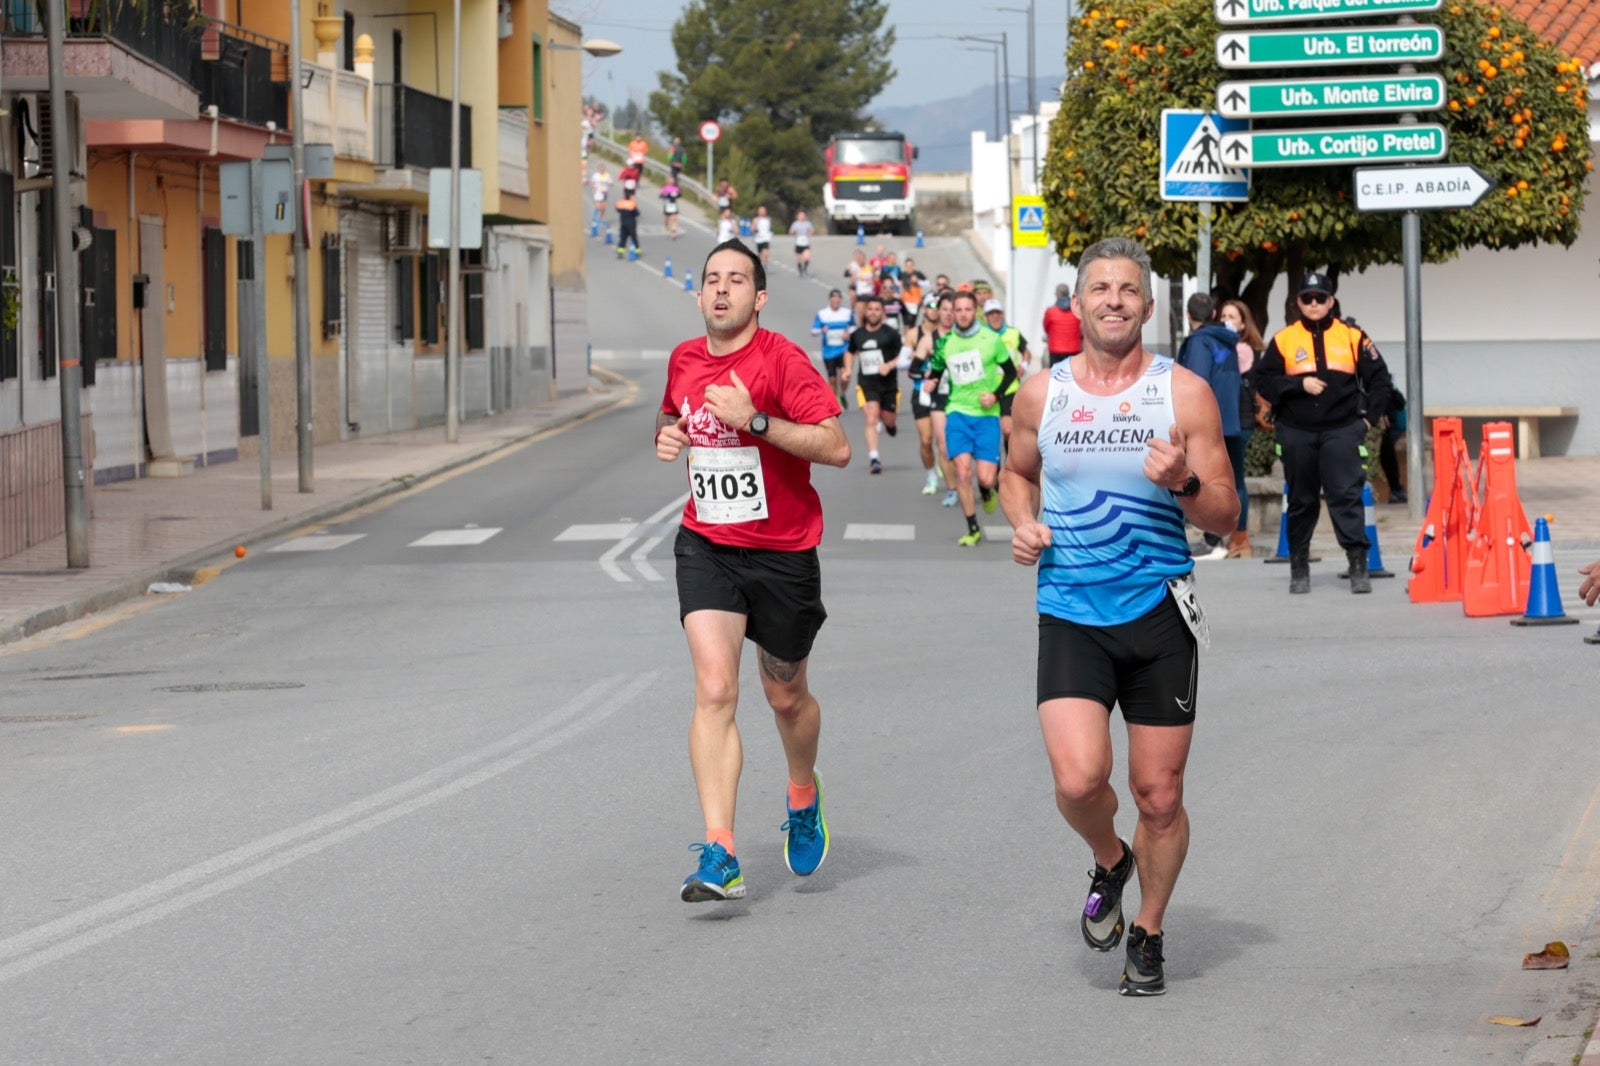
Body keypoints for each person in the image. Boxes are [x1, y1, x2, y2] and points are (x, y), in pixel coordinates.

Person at [998, 236, 1238, 998]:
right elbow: (1014, 471)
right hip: (1070, 609)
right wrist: (1024, 522)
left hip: (1160, 611)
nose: (1113, 300)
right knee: (1078, 780)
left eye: (1127, 290)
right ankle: (1109, 857)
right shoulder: (1042, 394)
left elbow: (1224, 515)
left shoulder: (1184, 394)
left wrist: (1186, 479)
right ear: (1078, 303)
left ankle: (1151, 928)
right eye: (1099, 288)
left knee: (1159, 795)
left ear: (1148, 304)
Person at [654, 239, 851, 903]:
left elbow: (836, 445)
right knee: (715, 690)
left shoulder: (782, 361)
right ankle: (721, 852)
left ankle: (802, 793)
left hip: (783, 553)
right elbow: (671, 415)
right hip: (706, 545)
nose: (720, 290)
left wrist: (758, 421)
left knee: (785, 694)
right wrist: (668, 436)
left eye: (735, 280)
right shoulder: (683, 360)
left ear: (758, 297)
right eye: (711, 279)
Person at [1254, 273, 1395, 594]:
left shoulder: (1352, 336)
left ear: (1331, 301)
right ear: (1298, 302)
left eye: (1321, 298)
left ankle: (1358, 562)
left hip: (1343, 430)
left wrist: (1368, 421)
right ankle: (1299, 565)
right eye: (1307, 298)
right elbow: (1263, 380)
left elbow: (1380, 381)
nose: (1314, 304)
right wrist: (1296, 384)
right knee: (1302, 500)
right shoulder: (1284, 339)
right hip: (1297, 431)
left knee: (1346, 496)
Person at [922, 290, 1015, 544]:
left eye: (967, 309)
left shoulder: (991, 340)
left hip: (986, 417)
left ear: (976, 312)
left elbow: (1010, 374)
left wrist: (995, 396)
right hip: (957, 413)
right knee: (963, 472)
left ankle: (986, 490)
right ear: (953, 313)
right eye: (958, 310)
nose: (962, 314)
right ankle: (972, 529)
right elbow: (936, 373)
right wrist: (930, 383)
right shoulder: (945, 343)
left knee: (985, 477)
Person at [1176, 294, 1242, 561]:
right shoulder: (1227, 340)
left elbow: (1196, 382)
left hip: (1207, 422)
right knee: (1229, 480)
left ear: (1187, 314)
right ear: (1214, 314)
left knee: (1200, 479)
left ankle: (1212, 539)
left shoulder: (1200, 342)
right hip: (1231, 416)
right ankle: (1226, 537)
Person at [1217, 299, 1266, 557]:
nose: (1226, 320)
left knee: (1236, 480)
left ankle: (1240, 537)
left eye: (1232, 316)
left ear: (1243, 323)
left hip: (1239, 420)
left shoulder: (1241, 349)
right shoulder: (1226, 347)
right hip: (1231, 420)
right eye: (1223, 315)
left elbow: (1224, 368)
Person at [845, 293, 903, 475]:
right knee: (871, 417)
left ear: (883, 313)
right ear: (865, 312)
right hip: (867, 384)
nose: (873, 312)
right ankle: (874, 458)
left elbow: (904, 355)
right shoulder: (858, 334)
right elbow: (850, 352)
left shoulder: (891, 334)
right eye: (870, 309)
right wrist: (847, 370)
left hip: (888, 385)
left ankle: (890, 426)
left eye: (877, 309)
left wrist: (890, 365)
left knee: (888, 419)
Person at [983, 297, 1029, 451]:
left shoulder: (1013, 333)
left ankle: (1010, 462)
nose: (994, 316)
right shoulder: (981, 336)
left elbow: (1025, 352)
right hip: (988, 388)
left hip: (1010, 388)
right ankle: (994, 470)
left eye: (997, 313)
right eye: (990, 314)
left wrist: (1024, 365)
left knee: (1008, 430)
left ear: (1002, 314)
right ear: (986, 317)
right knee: (991, 435)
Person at [811, 289, 855, 409]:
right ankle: (834, 402)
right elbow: (813, 331)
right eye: (833, 298)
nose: (836, 300)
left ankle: (842, 393)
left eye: (838, 298)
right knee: (832, 379)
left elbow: (853, 328)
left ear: (840, 299)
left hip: (843, 349)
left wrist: (848, 334)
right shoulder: (822, 314)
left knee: (845, 376)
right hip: (829, 352)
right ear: (830, 299)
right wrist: (821, 330)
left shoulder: (847, 313)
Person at [1043, 284, 1084, 367]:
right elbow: (1082, 329)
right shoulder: (1077, 311)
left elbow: (1046, 328)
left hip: (1056, 351)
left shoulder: (1050, 312)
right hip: (1074, 350)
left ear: (1057, 295)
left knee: (1056, 376)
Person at [1378, 388, 1407, 503]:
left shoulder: (1383, 385)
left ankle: (1396, 489)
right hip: (1384, 427)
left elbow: (1400, 403)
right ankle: (1396, 489)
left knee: (1386, 452)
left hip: (1387, 428)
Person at [846, 250, 875, 322]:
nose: (860, 260)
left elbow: (875, 279)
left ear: (864, 258)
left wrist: (871, 281)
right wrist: (853, 278)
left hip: (869, 292)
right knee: (861, 314)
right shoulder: (853, 267)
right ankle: (852, 310)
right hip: (859, 291)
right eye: (858, 258)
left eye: (861, 258)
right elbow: (850, 281)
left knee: (869, 313)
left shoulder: (870, 268)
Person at [615, 191, 641, 258]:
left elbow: (617, 210)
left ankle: (620, 252)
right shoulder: (632, 204)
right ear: (630, 197)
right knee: (634, 238)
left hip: (623, 223)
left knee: (623, 238)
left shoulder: (620, 203)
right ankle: (637, 251)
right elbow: (637, 213)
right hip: (631, 223)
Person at [789, 209, 814, 278]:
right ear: (798, 216)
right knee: (799, 260)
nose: (802, 217)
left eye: (803, 216)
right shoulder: (795, 224)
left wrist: (810, 233)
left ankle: (805, 269)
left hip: (806, 243)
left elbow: (811, 231)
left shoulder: (808, 224)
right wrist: (793, 232)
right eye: (800, 216)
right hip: (798, 243)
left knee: (807, 258)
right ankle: (800, 271)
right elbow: (790, 232)